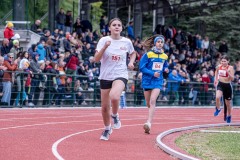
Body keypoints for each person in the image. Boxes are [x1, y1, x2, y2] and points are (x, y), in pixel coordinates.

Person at [94, 18, 136, 141]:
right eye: (114, 25)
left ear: (122, 28)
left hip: (120, 74)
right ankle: (107, 129)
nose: (116, 27)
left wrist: (131, 62)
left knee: (115, 96)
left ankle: (115, 115)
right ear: (109, 28)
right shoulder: (104, 40)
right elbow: (96, 59)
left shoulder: (126, 42)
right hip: (106, 75)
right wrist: (104, 48)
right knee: (104, 107)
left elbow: (133, 53)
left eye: (119, 25)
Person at [139, 35, 169, 134]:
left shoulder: (164, 56)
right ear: (155, 43)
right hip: (147, 81)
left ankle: (149, 123)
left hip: (158, 81)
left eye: (162, 42)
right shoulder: (148, 54)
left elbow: (165, 65)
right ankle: (150, 116)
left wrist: (166, 69)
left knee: (153, 101)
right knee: (148, 103)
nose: (160, 43)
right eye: (158, 42)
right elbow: (142, 68)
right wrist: (152, 73)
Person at [214, 55, 235, 123]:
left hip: (227, 86)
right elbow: (216, 72)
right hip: (220, 84)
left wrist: (228, 72)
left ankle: (229, 115)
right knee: (217, 97)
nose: (223, 62)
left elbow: (232, 78)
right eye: (222, 61)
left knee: (228, 103)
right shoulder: (218, 66)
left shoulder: (230, 68)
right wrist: (216, 79)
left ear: (228, 61)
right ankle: (218, 109)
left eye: (225, 61)